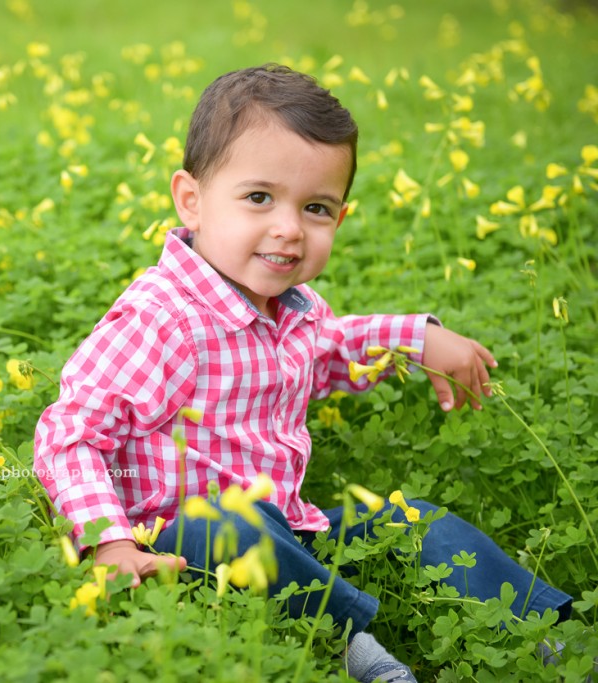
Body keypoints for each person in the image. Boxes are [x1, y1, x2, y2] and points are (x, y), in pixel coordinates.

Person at [34, 64, 572, 683]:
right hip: (183, 540)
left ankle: (549, 636)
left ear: (339, 219)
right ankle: (355, 649)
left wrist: (415, 338)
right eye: (259, 197)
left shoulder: (295, 308)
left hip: (294, 526)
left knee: (412, 518)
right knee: (230, 526)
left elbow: (330, 350)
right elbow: (70, 433)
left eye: (315, 207)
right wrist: (111, 541)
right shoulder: (162, 320)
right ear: (192, 200)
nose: (288, 229)